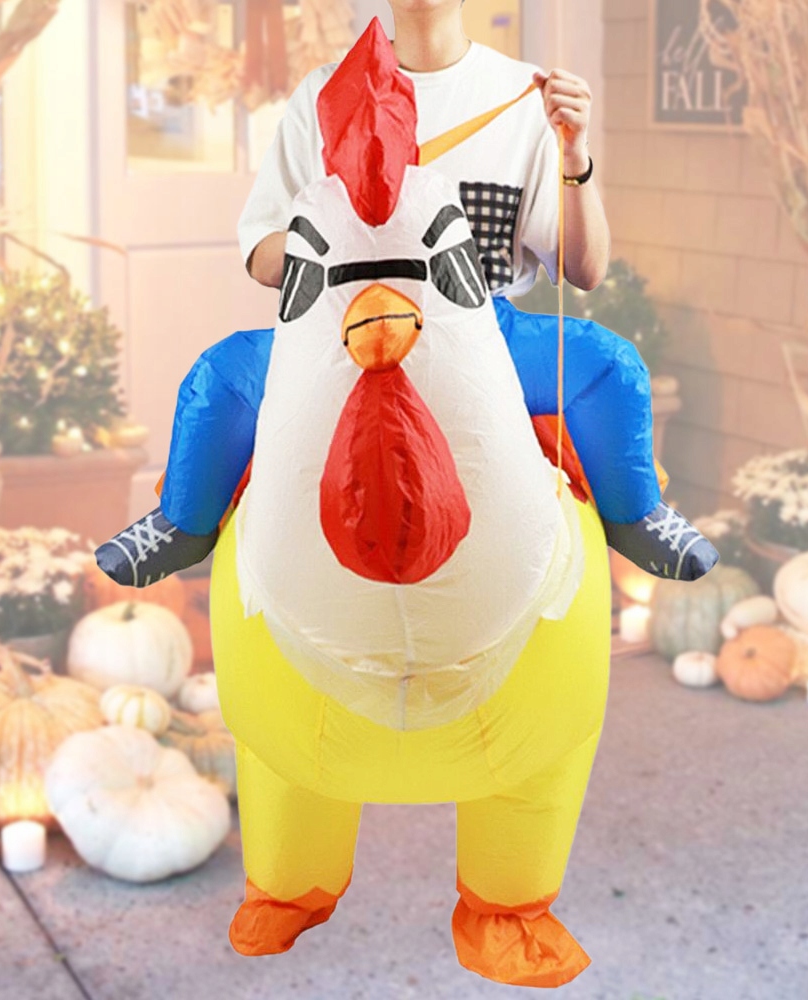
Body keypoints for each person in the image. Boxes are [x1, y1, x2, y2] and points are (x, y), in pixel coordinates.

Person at [96, 0, 718, 587]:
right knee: (222, 375)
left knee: (610, 364)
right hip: (340, 330)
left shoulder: (525, 95)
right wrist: (337, 230)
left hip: (484, 332)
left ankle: (636, 514)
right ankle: (182, 524)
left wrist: (575, 154)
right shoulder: (324, 93)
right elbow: (262, 256)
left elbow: (584, 269)